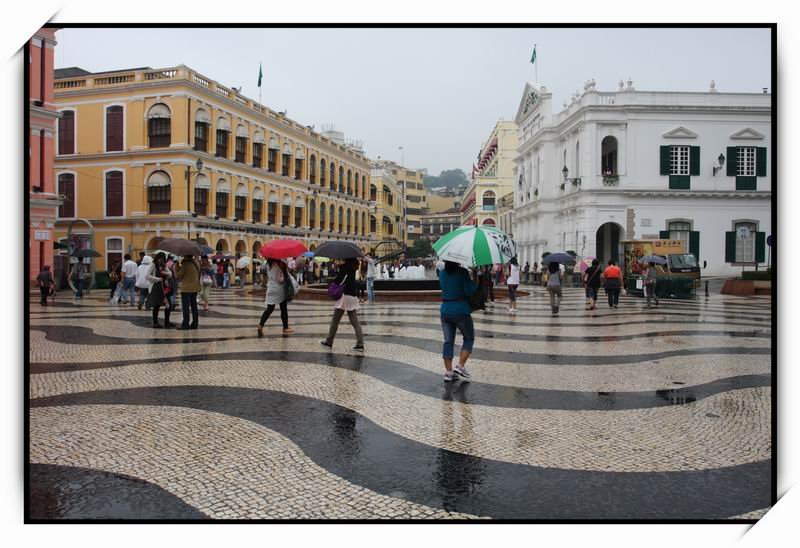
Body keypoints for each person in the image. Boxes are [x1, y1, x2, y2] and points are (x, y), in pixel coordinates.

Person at [438, 260, 477, 382]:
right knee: (469, 338)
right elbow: (470, 291)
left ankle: (449, 372)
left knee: (448, 341)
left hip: (445, 311)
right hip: (461, 311)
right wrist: (475, 280)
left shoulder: (442, 273)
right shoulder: (462, 272)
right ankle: (460, 366)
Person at [320, 257, 364, 351]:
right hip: (352, 295)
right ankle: (360, 343)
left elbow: (339, 280)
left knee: (335, 320)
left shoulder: (345, 267)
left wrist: (336, 278)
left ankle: (329, 341)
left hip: (345, 296)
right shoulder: (354, 266)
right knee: (354, 321)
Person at [257, 258, 293, 337]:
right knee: (283, 308)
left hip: (270, 288)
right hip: (280, 289)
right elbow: (285, 277)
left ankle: (260, 326)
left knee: (269, 309)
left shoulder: (267, 264)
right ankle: (285, 328)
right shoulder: (281, 264)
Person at [146, 253, 174, 328]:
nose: (160, 260)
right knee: (157, 305)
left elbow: (170, 273)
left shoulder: (164, 265)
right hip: (156, 287)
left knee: (169, 304)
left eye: (162, 258)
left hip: (164, 287)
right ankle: (155, 323)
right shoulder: (153, 265)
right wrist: (157, 279)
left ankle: (167, 322)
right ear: (157, 258)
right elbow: (147, 276)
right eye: (159, 258)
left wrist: (164, 272)